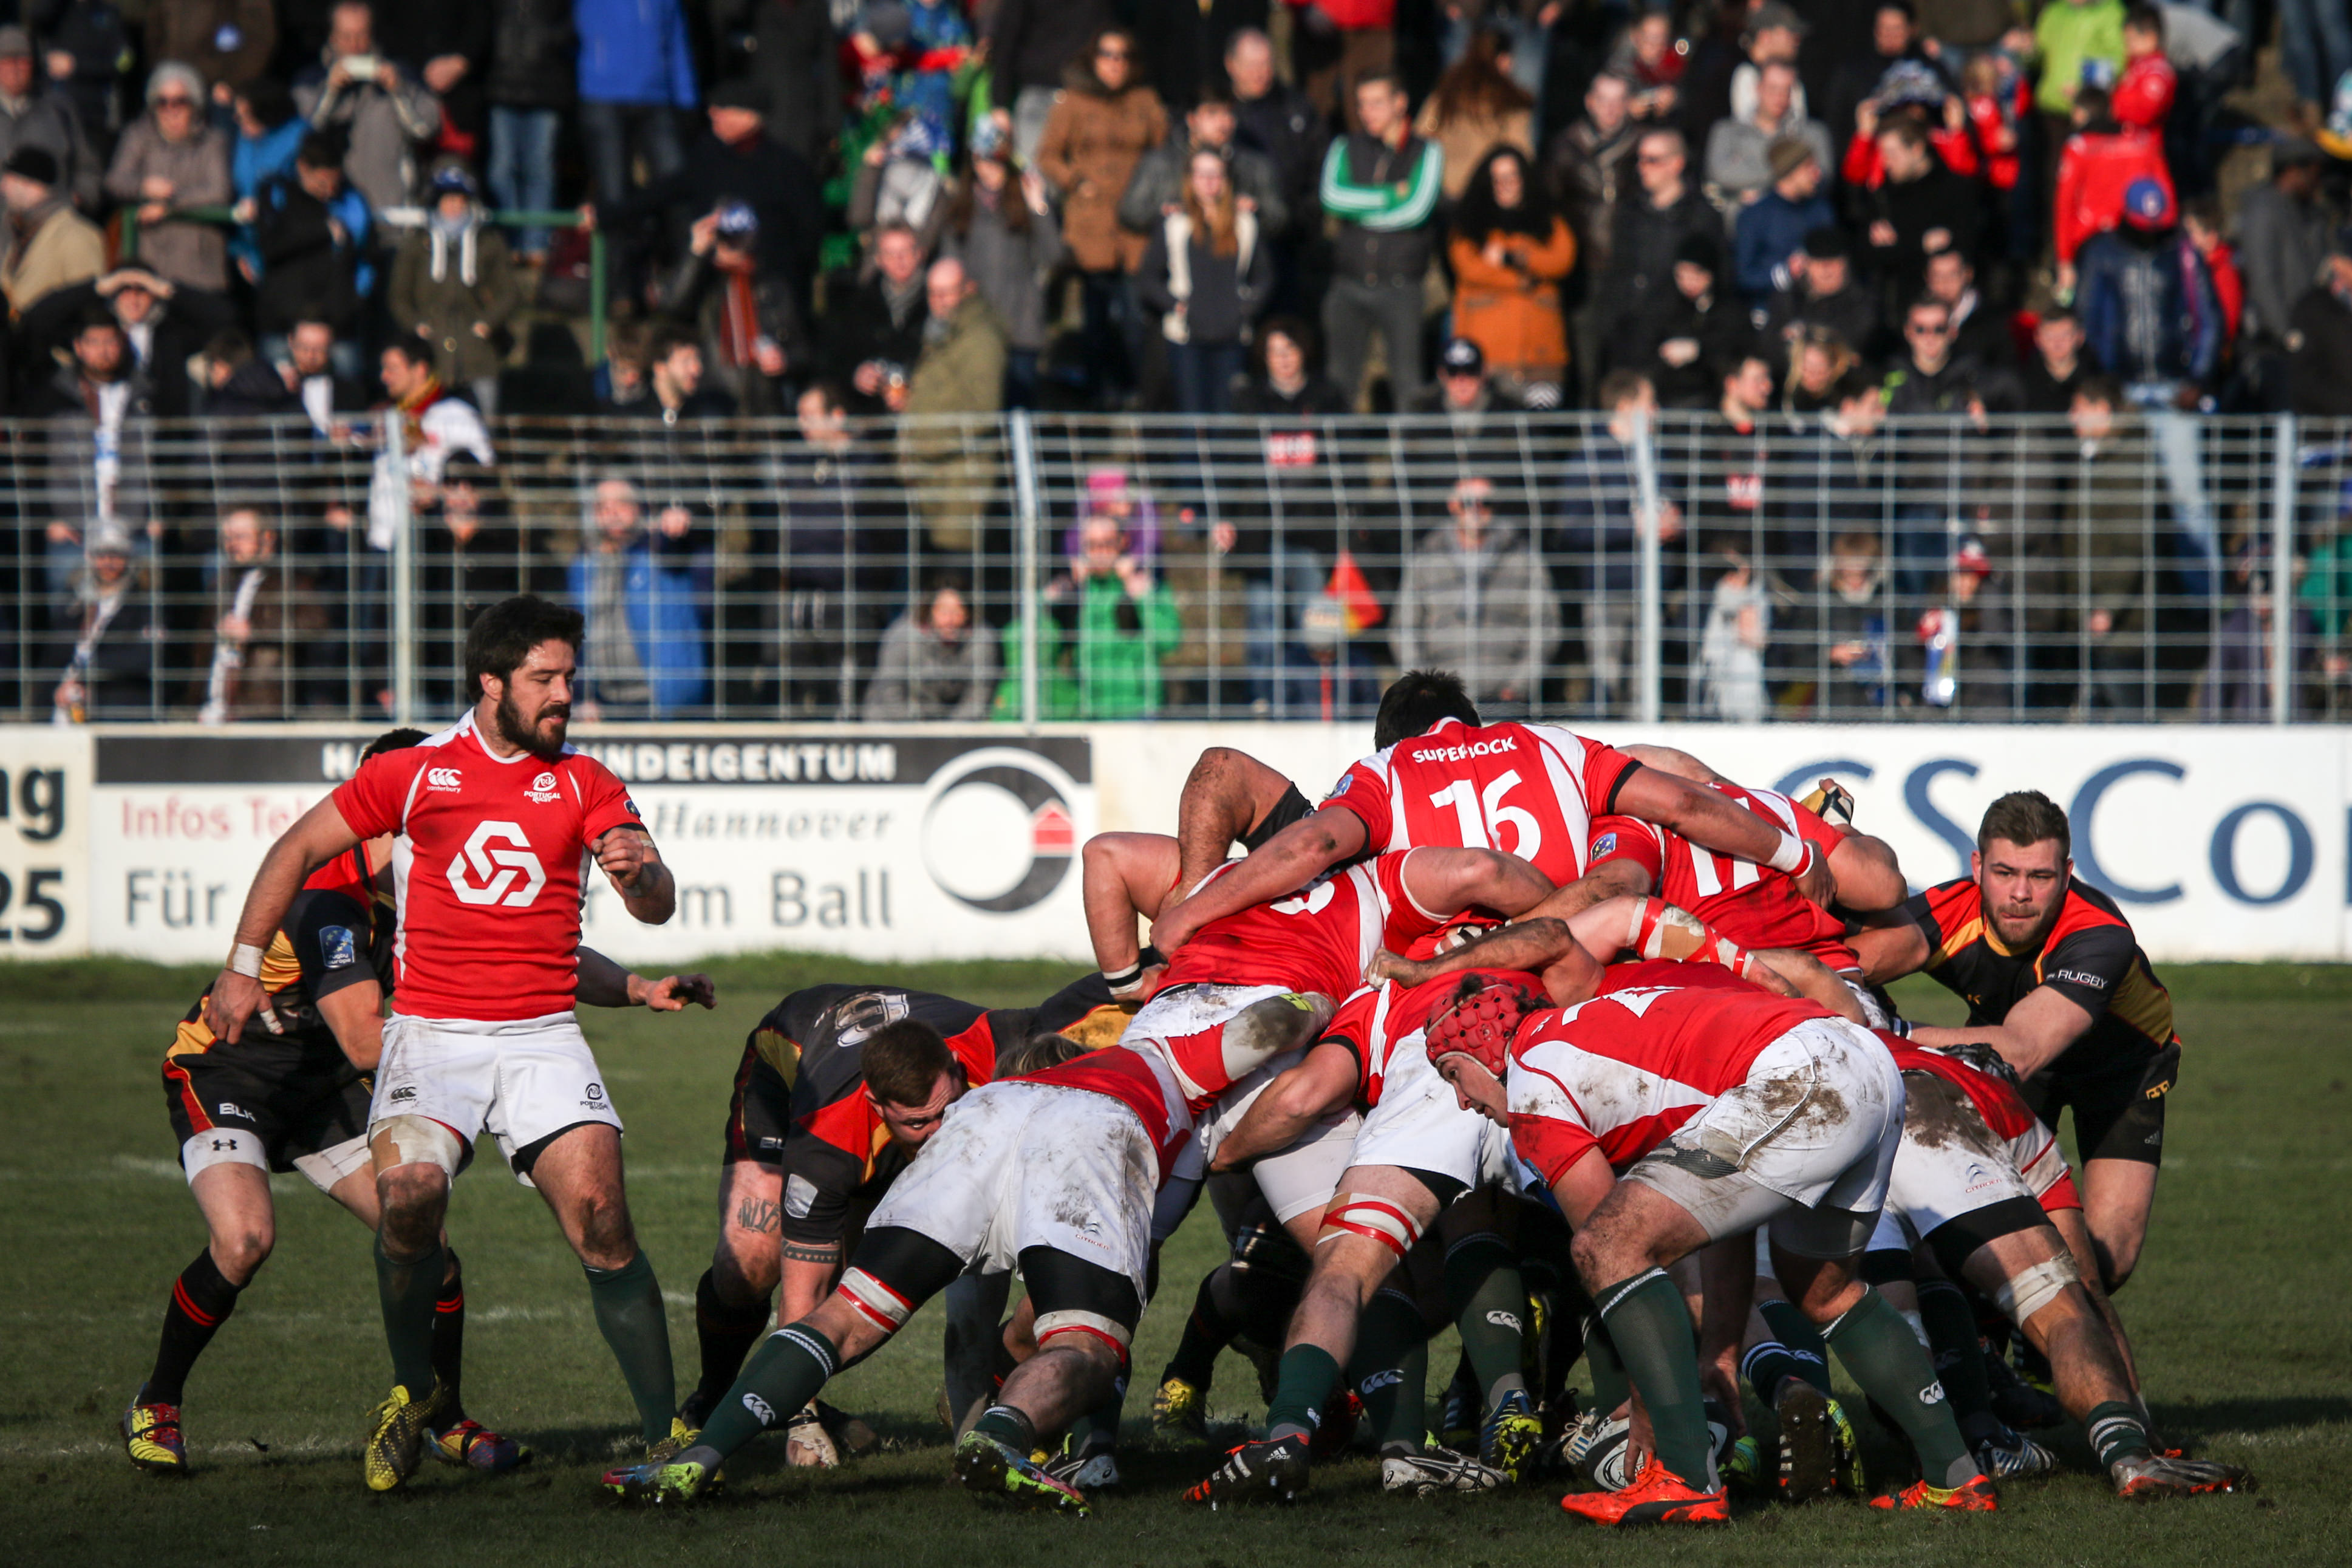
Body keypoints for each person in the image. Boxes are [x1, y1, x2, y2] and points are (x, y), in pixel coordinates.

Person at [200, 595, 684, 1490]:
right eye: (544, 678)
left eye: (569, 677)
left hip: (543, 1035)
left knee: (603, 1220)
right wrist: (240, 965)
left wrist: (643, 874)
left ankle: (667, 1439)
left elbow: (657, 903)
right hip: (433, 1034)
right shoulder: (415, 772)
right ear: (491, 681)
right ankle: (415, 1391)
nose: (563, 694)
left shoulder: (587, 781)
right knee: (410, 1196)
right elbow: (294, 849)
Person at [1422, 961, 1996, 1520]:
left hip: (1802, 1073)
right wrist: (1720, 1352)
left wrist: (1647, 1405)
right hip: (1862, 1060)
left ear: (1484, 1046)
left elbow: (1609, 1246)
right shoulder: (1588, 1034)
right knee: (1822, 1291)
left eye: (1452, 1074)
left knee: (1605, 1245)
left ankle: (1684, 1480)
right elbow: (1727, 1218)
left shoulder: (1529, 1078)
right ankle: (1954, 1478)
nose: (1462, 1101)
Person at [680, 973, 1123, 1445]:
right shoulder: (830, 1140)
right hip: (788, 1064)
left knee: (866, 1292)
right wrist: (801, 1427)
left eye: (946, 1110)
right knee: (750, 1267)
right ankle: (715, 1395)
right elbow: (803, 1296)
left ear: (957, 1070)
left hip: (883, 1082)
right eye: (917, 1123)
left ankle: (1007, 1391)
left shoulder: (1005, 1053)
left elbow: (1095, 1004)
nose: (938, 1131)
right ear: (877, 1105)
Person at [1150, 668, 1837, 959]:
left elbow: (1312, 846)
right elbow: (1684, 800)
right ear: (1470, 722)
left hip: (1427, 971)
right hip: (1568, 952)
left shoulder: (1387, 770)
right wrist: (1793, 852)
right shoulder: (1553, 744)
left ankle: (1167, 956)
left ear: (1391, 739)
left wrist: (1194, 907)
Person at [1852, 790, 2181, 1301]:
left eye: (2040, 876)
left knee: (2108, 1259)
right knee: (1981, 1224)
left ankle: (2035, 1331)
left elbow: (2022, 1048)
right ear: (1977, 867)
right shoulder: (1948, 911)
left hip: (2121, 1071)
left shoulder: (2098, 934)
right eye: (2004, 873)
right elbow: (1839, 957)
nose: (2020, 894)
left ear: (2066, 874)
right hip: (2011, 1058)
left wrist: (1887, 1032)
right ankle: (1995, 1336)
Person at [1036, 26, 1167, 403]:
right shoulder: (1073, 102)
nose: (1115, 64)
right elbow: (1048, 155)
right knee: (1094, 315)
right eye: (1107, 55)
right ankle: (1097, 393)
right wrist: (1076, 182)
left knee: (1136, 316)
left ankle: (1138, 391)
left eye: (1123, 56)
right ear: (1093, 60)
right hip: (1091, 221)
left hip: (1136, 223)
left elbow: (1164, 154)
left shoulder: (1146, 101)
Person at [1320, 72, 1443, 409]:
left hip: (1401, 286)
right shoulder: (1344, 146)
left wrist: (1357, 211)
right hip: (1348, 283)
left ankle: (1411, 444)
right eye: (1362, 104)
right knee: (1340, 384)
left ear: (1400, 103)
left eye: (1376, 103)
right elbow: (1332, 198)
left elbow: (1415, 211)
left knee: (1408, 384)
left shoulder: (1428, 151)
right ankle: (1340, 445)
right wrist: (1391, 195)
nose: (1367, 112)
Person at [1391, 474, 1556, 711]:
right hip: (1441, 700)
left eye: (1485, 503)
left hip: (1507, 699)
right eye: (1467, 502)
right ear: (1453, 505)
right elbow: (1404, 629)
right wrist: (1425, 688)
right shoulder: (1426, 557)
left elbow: (1545, 626)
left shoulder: (1523, 557)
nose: (1476, 510)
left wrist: (1518, 685)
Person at [1136, 147, 1273, 414]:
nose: (1210, 182)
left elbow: (1264, 276)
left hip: (1233, 335)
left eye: (1216, 175)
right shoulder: (1174, 223)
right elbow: (1148, 277)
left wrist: (1246, 307)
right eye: (1202, 175)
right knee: (1191, 416)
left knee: (1227, 415)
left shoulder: (1245, 223)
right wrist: (1176, 305)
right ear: (1190, 179)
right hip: (1186, 337)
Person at [941, 116, 1063, 407]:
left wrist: (1039, 207)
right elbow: (950, 265)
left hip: (1020, 328)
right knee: (980, 408)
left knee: (1019, 410)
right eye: (982, 159)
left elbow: (1055, 255)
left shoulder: (1023, 200)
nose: (989, 168)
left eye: (996, 161)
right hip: (975, 327)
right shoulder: (961, 207)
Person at [568, 475, 711, 720]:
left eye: (621, 503)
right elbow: (577, 640)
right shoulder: (582, 567)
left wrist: (677, 524)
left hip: (661, 705)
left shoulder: (663, 553)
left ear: (640, 508)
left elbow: (690, 543)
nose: (612, 512)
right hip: (605, 706)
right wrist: (581, 697)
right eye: (602, 506)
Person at [1020, 512, 1184, 720]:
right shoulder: (1076, 589)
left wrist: (1142, 598)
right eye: (1092, 545)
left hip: (1139, 708)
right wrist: (1050, 600)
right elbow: (1032, 643)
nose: (1100, 552)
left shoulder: (1147, 584)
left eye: (1107, 543)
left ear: (1122, 542)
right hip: (1087, 709)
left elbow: (1170, 641)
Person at [389, 162, 521, 415]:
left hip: (478, 356)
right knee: (426, 426)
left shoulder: (488, 242)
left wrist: (486, 323)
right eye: (448, 199)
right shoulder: (417, 243)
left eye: (460, 200)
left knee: (481, 425)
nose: (454, 206)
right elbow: (399, 296)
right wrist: (417, 326)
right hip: (430, 353)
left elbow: (509, 293)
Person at [1447, 146, 1576, 404]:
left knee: (1541, 426)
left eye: (1512, 177)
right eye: (1497, 179)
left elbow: (1562, 259)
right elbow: (1471, 269)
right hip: (1486, 358)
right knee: (1493, 428)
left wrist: (1513, 258)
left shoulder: (1549, 221)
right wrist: (1523, 280)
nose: (1505, 186)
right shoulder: (1469, 225)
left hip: (1541, 358)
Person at [898, 257, 1009, 553]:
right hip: (934, 471)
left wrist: (927, 440)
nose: (939, 301)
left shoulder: (981, 339)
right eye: (933, 293)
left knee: (955, 564)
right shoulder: (943, 332)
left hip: (960, 474)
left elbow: (984, 410)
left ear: (968, 289)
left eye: (947, 293)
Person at [2076, 177, 2222, 400]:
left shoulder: (2182, 252)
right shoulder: (2102, 253)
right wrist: (2101, 378)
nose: (2150, 233)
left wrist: (2198, 377)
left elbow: (2209, 317)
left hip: (2177, 382)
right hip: (2119, 383)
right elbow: (2087, 315)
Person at [656, 202, 806, 416]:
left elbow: (803, 350)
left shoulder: (771, 286)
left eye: (739, 238)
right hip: (714, 400)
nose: (733, 246)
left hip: (764, 401)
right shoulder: (705, 284)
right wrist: (696, 252)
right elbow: (672, 307)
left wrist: (785, 360)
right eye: (726, 238)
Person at [291, 2, 441, 216]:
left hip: (390, 208)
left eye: (362, 35)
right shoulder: (310, 80)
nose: (355, 45)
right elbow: (301, 136)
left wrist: (398, 92)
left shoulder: (402, 75)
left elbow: (426, 129)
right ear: (332, 36)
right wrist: (330, 92)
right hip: (334, 212)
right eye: (346, 36)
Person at [1595, 128, 1718, 378]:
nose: (1642, 168)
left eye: (1652, 160)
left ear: (1676, 164)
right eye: (1639, 159)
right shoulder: (1630, 213)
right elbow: (1617, 270)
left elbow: (1717, 278)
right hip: (1626, 335)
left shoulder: (1702, 216)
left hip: (1672, 340)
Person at [106, 62, 232, 292]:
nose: (171, 110)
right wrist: (143, 187)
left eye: (180, 102)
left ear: (195, 105)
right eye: (162, 102)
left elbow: (219, 191)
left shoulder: (213, 142)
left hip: (199, 265)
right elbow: (115, 180)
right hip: (149, 264)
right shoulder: (138, 136)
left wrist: (171, 205)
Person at [247, 131, 371, 353]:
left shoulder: (351, 200)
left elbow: (365, 255)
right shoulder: (276, 193)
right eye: (322, 183)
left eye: (335, 182)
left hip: (337, 328)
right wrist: (323, 231)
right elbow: (269, 246)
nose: (330, 190)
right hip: (282, 324)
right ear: (303, 168)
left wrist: (353, 302)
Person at [1118, 94, 1290, 246]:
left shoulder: (1253, 164)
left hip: (1233, 261)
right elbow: (1130, 213)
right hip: (1173, 264)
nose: (1223, 123)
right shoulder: (1162, 162)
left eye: (1229, 113)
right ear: (1192, 119)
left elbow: (1279, 219)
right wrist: (1163, 214)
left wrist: (1254, 212)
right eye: (1212, 113)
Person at [193, 506, 315, 721]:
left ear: (267, 539)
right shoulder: (221, 586)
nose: (232, 544)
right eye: (227, 538)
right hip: (213, 709)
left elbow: (314, 624)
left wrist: (254, 632)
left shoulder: (291, 582)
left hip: (261, 708)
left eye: (241, 537)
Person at [572, 0, 695, 206]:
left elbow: (676, 42)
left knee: (675, 182)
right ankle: (617, 228)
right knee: (613, 189)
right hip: (601, 95)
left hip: (656, 95)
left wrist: (686, 98)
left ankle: (679, 228)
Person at [484, 0, 575, 262]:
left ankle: (536, 244)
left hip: (546, 88)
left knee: (539, 168)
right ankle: (510, 243)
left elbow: (571, 28)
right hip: (501, 87)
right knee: (501, 170)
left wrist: (546, 39)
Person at [984, 0, 1116, 166]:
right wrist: (1000, 103)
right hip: (1037, 97)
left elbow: (1112, 35)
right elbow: (1006, 41)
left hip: (1085, 98)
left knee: (1083, 176)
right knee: (1034, 175)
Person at [820, 222, 929, 417]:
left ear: (920, 254)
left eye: (905, 251)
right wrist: (856, 374)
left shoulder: (937, 300)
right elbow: (834, 357)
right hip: (872, 415)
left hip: (925, 410)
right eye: (891, 254)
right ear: (879, 260)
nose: (899, 260)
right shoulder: (858, 304)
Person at [1413, 25, 1534, 200]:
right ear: (1503, 60)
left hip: (1444, 192)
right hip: (1487, 197)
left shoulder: (1445, 93)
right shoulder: (1512, 102)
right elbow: (1521, 154)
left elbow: (1421, 135)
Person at [49, 519, 151, 720]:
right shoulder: (75, 602)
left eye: (116, 555)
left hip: (115, 704)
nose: (108, 563)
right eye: (101, 555)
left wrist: (85, 676)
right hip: (66, 702)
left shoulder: (143, 603)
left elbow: (144, 657)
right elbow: (53, 657)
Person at [862, 573, 998, 721]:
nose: (950, 620)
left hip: (950, 724)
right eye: (943, 611)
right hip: (893, 720)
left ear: (968, 614)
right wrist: (918, 730)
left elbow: (979, 695)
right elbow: (891, 693)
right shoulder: (903, 637)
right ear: (930, 611)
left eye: (957, 611)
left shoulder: (982, 640)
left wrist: (951, 729)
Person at [1705, 60, 1834, 209]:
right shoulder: (1727, 132)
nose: (1780, 97)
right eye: (1773, 89)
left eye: (1787, 90)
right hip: (1740, 218)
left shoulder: (1813, 133)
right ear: (1758, 88)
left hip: (1798, 217)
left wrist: (1752, 182)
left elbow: (1824, 177)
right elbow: (1720, 174)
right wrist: (1790, 173)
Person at [0, 24, 101, 213]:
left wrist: (76, 200)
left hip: (53, 223)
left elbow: (88, 169)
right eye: (7, 61)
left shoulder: (59, 110)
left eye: (22, 61)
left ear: (33, 65)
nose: (15, 68)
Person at [1, 144, 102, 316]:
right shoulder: (22, 231)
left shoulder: (77, 235)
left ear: (28, 184)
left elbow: (87, 305)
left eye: (8, 179)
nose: (2, 187)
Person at [1735, 139, 1836, 307]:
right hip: (1770, 310)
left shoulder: (1822, 210)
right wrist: (1786, 274)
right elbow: (1744, 277)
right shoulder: (1754, 217)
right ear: (1790, 172)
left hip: (1819, 308)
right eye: (1809, 167)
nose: (1818, 174)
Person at [1762, 226, 1881, 360]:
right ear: (1807, 265)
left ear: (1845, 264)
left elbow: (1853, 344)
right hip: (1790, 370)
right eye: (1819, 262)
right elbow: (1769, 346)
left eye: (1833, 262)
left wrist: (1801, 336)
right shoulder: (1787, 299)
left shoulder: (1861, 302)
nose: (1826, 270)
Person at [145, 0, 274, 98]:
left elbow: (259, 36)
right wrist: (160, 71)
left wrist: (233, 83)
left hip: (219, 89)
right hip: (171, 85)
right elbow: (155, 31)